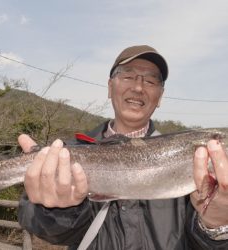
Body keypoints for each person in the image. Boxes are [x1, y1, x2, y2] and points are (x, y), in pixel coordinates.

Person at [18, 45, 228, 250]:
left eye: (151, 80)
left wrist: (215, 225)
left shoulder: (201, 163)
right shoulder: (66, 154)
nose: (138, 87)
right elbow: (41, 226)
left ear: (160, 96)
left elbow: (203, 243)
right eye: (128, 76)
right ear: (110, 87)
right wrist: (58, 211)